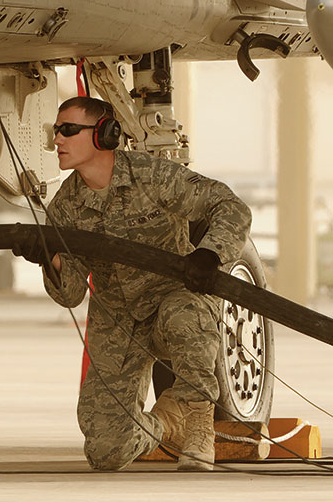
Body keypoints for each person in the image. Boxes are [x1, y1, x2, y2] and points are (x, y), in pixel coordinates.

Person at [14, 96, 251, 472]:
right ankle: (171, 421)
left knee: (184, 315)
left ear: (104, 134)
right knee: (106, 451)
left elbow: (230, 206)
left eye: (68, 130)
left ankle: (199, 420)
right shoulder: (65, 208)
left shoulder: (152, 176)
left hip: (173, 298)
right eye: (55, 131)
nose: (56, 140)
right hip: (119, 319)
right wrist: (50, 256)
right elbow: (72, 293)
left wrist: (210, 255)